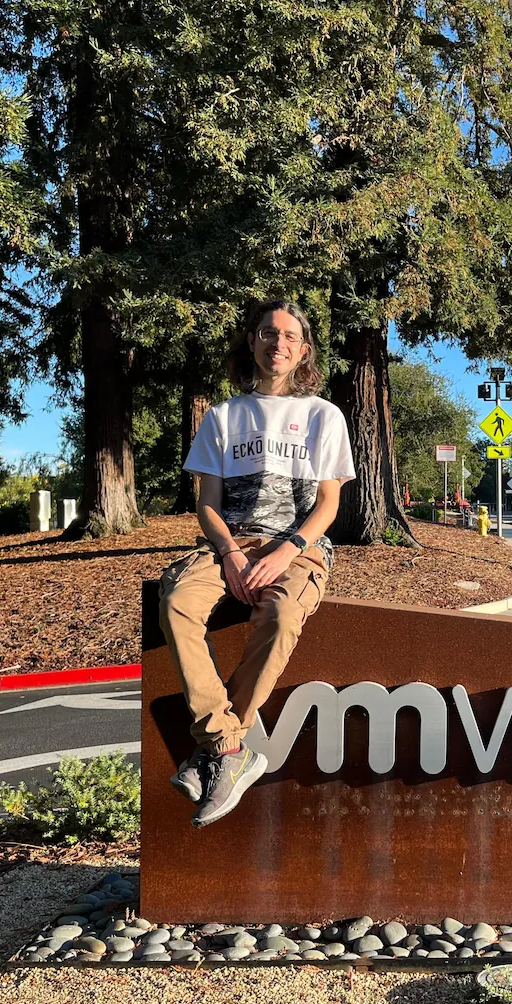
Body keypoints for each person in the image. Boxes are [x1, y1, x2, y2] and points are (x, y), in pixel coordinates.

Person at [157, 297, 355, 827]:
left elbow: (329, 505)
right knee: (177, 601)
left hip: (298, 545)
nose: (279, 343)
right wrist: (229, 556)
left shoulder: (322, 415)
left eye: (290, 336)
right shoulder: (223, 416)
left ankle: (217, 750)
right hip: (229, 544)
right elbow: (206, 503)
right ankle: (229, 749)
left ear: (303, 349)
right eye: (269, 332)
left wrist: (287, 550)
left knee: (282, 613)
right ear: (253, 341)